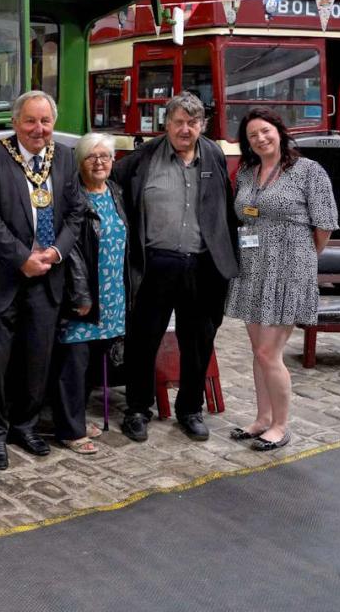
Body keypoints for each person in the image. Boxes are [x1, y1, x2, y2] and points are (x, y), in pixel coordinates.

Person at [111, 91, 239, 444]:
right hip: (155, 264)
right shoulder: (143, 159)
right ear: (165, 125)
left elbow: (225, 210)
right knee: (143, 339)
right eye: (179, 122)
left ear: (202, 125)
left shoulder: (212, 154)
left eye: (193, 122)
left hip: (201, 264)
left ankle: (190, 410)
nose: (186, 129)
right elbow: (112, 185)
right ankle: (137, 408)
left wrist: (227, 261)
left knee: (198, 341)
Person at [0, 90, 85, 470]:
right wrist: (22, 258)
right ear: (15, 121)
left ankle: (26, 425)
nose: (39, 129)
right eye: (31, 121)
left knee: (37, 359)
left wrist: (55, 253)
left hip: (48, 274)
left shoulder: (65, 158)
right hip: (2, 277)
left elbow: (76, 214)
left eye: (46, 121)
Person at [225, 107, 337, 451]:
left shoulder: (308, 171)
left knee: (268, 352)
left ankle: (281, 425)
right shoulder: (247, 172)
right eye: (252, 136)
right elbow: (243, 216)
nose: (260, 139)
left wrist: (300, 261)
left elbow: (324, 225)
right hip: (252, 268)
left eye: (265, 131)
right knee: (258, 353)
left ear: (279, 131)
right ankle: (261, 418)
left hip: (288, 270)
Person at [52, 133, 129, 454]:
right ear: (79, 162)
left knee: (92, 363)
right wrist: (80, 294)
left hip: (112, 294)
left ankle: (78, 419)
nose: (99, 162)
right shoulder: (72, 196)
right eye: (91, 157)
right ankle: (69, 430)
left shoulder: (115, 191)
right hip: (84, 294)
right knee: (73, 362)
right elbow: (70, 253)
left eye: (105, 157)